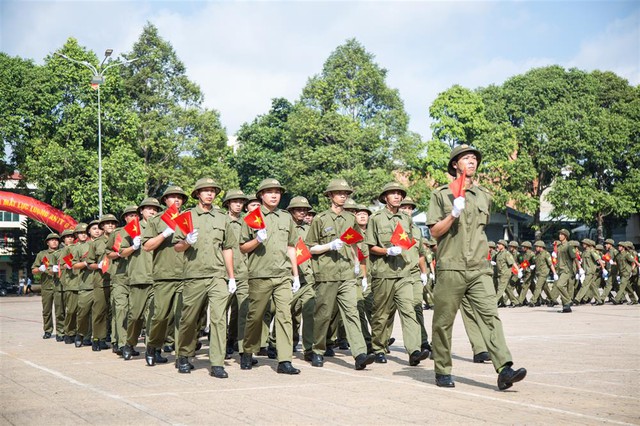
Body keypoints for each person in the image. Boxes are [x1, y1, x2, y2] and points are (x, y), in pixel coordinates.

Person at [427, 144, 526, 390]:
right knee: (443, 321)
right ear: (454, 164)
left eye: (474, 158)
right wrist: (452, 215)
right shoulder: (441, 194)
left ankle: (504, 368)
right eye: (466, 158)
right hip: (451, 267)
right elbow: (434, 232)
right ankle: (442, 369)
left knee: (490, 317)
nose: (472, 162)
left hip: (479, 267)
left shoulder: (484, 195)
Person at [306, 180, 374, 370]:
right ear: (330, 196)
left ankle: (360, 353)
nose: (343, 196)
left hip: (346, 274)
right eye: (339, 193)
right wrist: (329, 245)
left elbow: (353, 244)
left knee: (351, 312)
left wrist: (355, 265)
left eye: (346, 193)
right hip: (326, 274)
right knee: (324, 315)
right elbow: (311, 248)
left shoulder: (350, 219)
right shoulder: (320, 219)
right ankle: (318, 350)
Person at [173, 178, 237, 378]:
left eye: (212, 191)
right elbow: (177, 246)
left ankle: (217, 362)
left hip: (217, 275)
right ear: (197, 194)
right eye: (205, 191)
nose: (209, 194)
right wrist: (186, 241)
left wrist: (231, 277)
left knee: (219, 319)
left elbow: (227, 248)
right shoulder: (187, 217)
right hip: (194, 275)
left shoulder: (222, 218)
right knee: (189, 319)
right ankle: (183, 354)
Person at [239, 178, 301, 375]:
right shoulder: (252, 217)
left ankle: (284, 360)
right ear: (261, 195)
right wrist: (257, 239)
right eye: (269, 192)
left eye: (277, 192)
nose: (274, 195)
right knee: (255, 317)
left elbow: (291, 246)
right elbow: (242, 247)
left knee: (285, 316)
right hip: (260, 275)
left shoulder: (285, 217)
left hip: (283, 275)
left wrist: (295, 274)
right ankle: (248, 350)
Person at [365, 182, 430, 366]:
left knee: (409, 311)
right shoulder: (376, 219)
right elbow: (370, 247)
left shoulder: (405, 219)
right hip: (384, 274)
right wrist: (387, 251)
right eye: (392, 193)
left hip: (404, 274)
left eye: (399, 194)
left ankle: (414, 350)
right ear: (385, 197)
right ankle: (378, 347)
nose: (397, 196)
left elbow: (410, 244)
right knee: (381, 314)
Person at [142, 186, 188, 366]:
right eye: (172, 197)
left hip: (186, 274)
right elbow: (147, 246)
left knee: (183, 318)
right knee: (160, 316)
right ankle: (153, 346)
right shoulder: (156, 221)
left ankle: (181, 356)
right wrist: (165, 234)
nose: (176, 200)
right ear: (165, 200)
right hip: (164, 274)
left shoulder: (188, 218)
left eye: (179, 197)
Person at [121, 197, 161, 360]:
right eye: (149, 208)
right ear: (141, 211)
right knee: (135, 316)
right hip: (139, 277)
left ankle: (153, 349)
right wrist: (133, 246)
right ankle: (129, 343)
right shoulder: (132, 228)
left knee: (156, 316)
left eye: (155, 209)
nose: (152, 211)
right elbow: (121, 252)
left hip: (158, 277)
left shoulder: (161, 226)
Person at [285, 196, 316, 360]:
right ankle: (277, 342)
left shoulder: (310, 229)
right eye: (299, 209)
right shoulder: (284, 226)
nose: (303, 212)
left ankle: (309, 348)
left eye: (305, 210)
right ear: (291, 211)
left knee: (309, 312)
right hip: (288, 277)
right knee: (287, 313)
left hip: (307, 277)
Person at [222, 189, 250, 357]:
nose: (238, 204)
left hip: (244, 272)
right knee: (220, 312)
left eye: (241, 202)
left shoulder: (248, 222)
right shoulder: (220, 221)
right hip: (224, 273)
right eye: (235, 201)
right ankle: (221, 346)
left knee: (244, 312)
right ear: (228, 204)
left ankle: (243, 350)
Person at [87, 214, 118, 351]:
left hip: (118, 280)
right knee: (100, 311)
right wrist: (98, 266)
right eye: (107, 223)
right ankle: (97, 338)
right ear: (102, 227)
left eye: (113, 223)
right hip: (101, 280)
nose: (110, 225)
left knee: (118, 311)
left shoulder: (120, 239)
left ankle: (117, 340)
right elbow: (89, 263)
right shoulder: (96, 243)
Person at [31, 233, 62, 339]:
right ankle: (48, 330)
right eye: (52, 240)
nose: (54, 242)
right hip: (47, 287)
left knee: (60, 310)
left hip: (59, 285)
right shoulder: (42, 254)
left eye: (56, 240)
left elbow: (71, 266)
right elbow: (34, 270)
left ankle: (60, 332)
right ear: (47, 242)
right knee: (46, 310)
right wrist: (40, 269)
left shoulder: (63, 253)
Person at [554, 229, 575, 313]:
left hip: (567, 270)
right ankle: (566, 308)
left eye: (562, 234)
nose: (560, 236)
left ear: (565, 236)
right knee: (563, 288)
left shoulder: (569, 246)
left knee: (559, 285)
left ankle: (569, 300)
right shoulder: (559, 247)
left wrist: (579, 268)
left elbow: (574, 258)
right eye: (559, 234)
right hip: (560, 270)